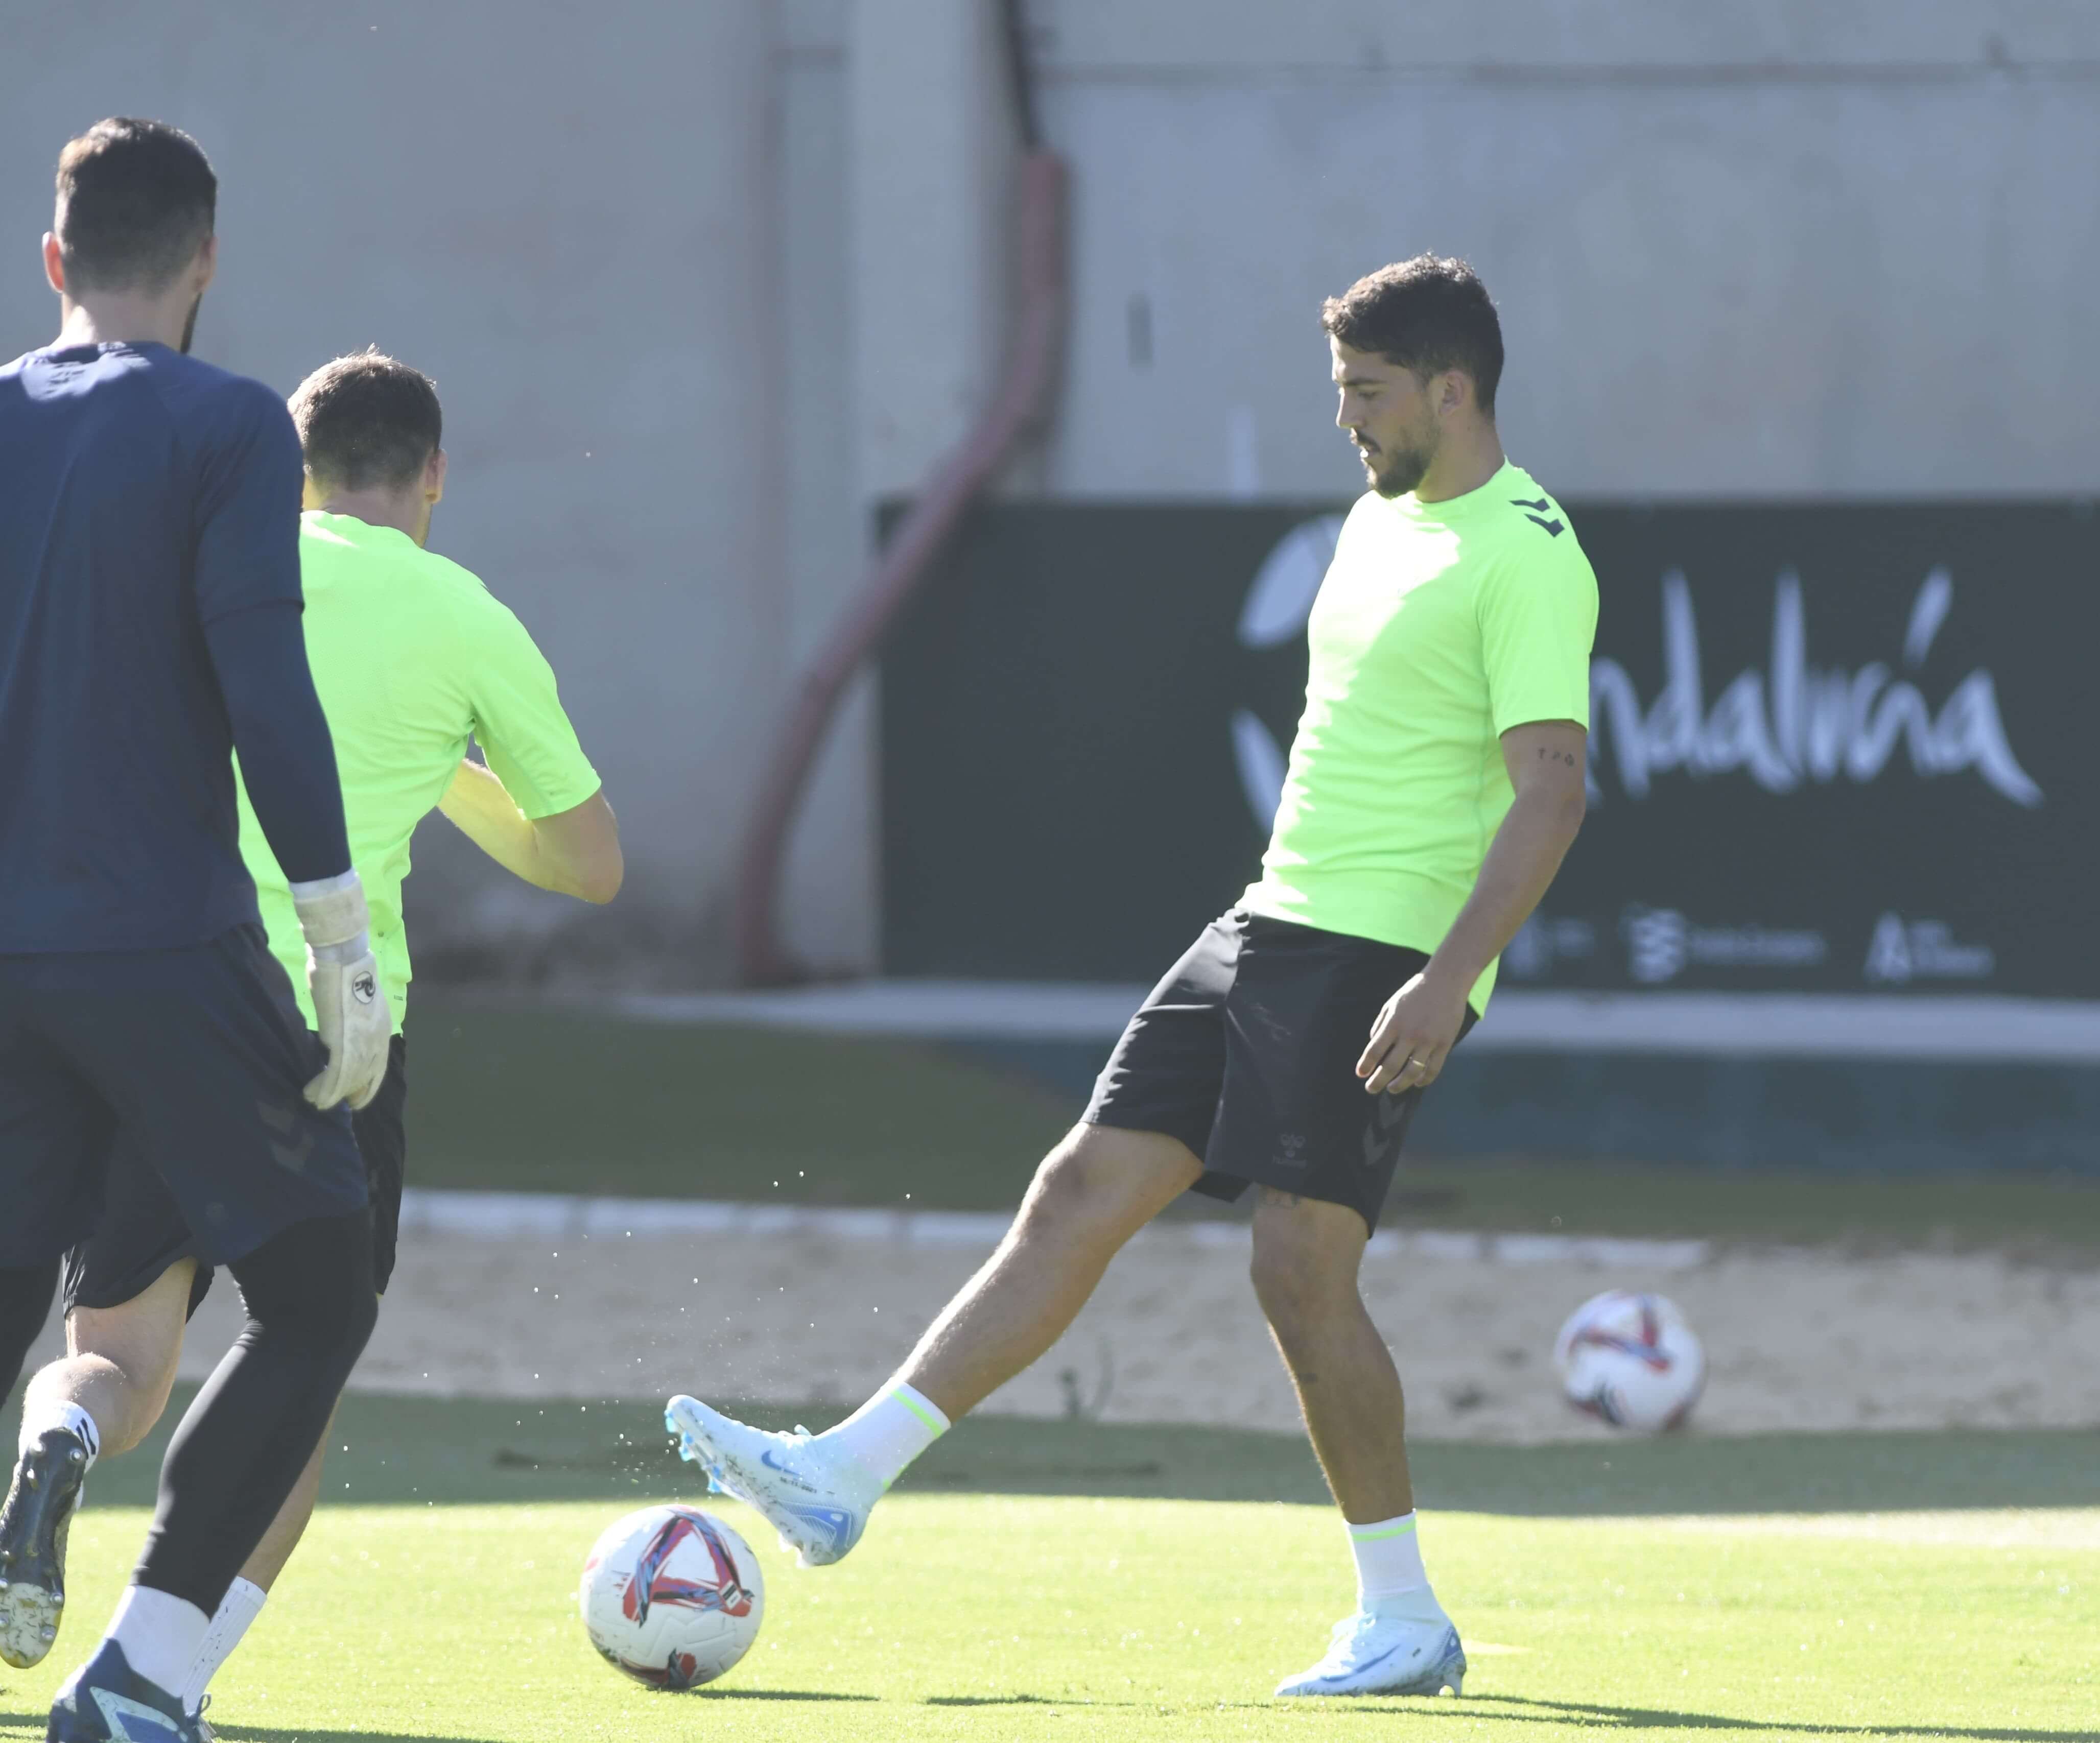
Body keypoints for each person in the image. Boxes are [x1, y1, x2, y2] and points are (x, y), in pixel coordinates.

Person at [668, 254, 1598, 1699]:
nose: (1347, 418)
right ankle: (843, 1475)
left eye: (1367, 392)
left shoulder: (1526, 552)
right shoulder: (1374, 519)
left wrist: (1447, 979)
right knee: (1078, 1190)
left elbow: (1553, 793)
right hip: (1270, 922)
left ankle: (1403, 1614)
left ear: (1451, 389)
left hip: (1378, 955)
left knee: (1298, 1270)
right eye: (1340, 390)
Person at [1, 348, 620, 1735]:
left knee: (121, 1350)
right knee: (300, 1360)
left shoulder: (209, 566)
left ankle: (61, 1437)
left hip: (153, 988)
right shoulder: (464, 615)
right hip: (332, 1031)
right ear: (435, 476)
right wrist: (441, 766)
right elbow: (590, 865)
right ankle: (154, 1681)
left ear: (292, 466)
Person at [0, 120, 394, 1743]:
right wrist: (339, 938)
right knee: (319, 1285)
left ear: (52, 262)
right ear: (208, 260)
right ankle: (145, 1677)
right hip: (160, 940)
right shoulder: (236, 423)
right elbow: (264, 687)